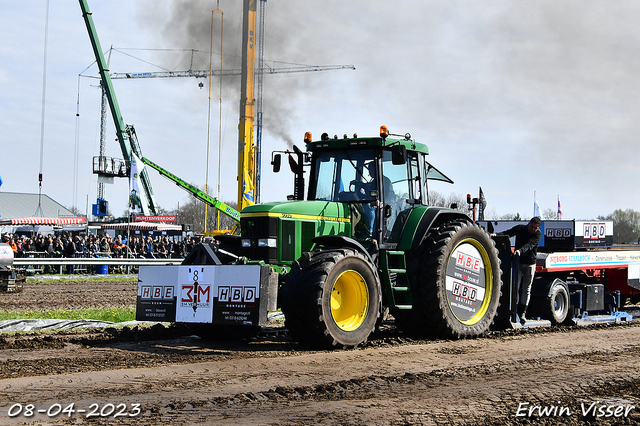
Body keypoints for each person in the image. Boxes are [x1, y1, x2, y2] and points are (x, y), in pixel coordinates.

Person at [500, 217, 542, 324]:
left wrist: (519, 250)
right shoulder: (520, 229)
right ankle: (514, 310)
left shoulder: (537, 235)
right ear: (528, 224)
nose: (532, 229)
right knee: (515, 286)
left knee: (526, 289)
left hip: (529, 264)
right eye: (531, 227)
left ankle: (522, 312)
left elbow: (530, 245)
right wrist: (497, 235)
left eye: (535, 228)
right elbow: (508, 233)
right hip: (518, 263)